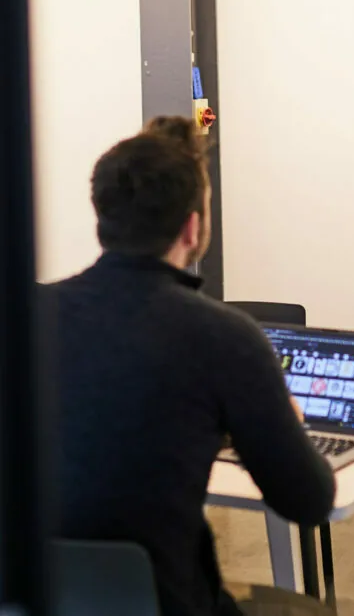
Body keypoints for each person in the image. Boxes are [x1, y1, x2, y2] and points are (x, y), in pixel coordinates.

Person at [44, 116, 334, 616]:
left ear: (102, 218)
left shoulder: (24, 315)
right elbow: (308, 501)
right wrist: (281, 420)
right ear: (193, 226)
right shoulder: (226, 337)